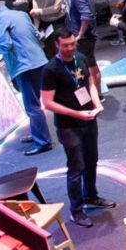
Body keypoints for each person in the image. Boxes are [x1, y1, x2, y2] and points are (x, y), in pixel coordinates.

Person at [41, 30, 114, 227]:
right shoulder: (51, 70)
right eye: (65, 45)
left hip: (89, 119)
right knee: (76, 168)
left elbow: (89, 83)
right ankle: (76, 210)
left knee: (92, 160)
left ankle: (91, 196)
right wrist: (76, 114)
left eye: (72, 43)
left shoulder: (80, 58)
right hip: (68, 126)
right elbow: (48, 103)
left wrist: (97, 104)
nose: (70, 48)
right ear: (57, 45)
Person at [0, 0, 53, 157]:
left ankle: (42, 142)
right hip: (39, 61)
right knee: (36, 102)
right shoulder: (21, 14)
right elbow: (37, 34)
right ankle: (38, 133)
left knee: (32, 106)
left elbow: (5, 45)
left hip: (24, 66)